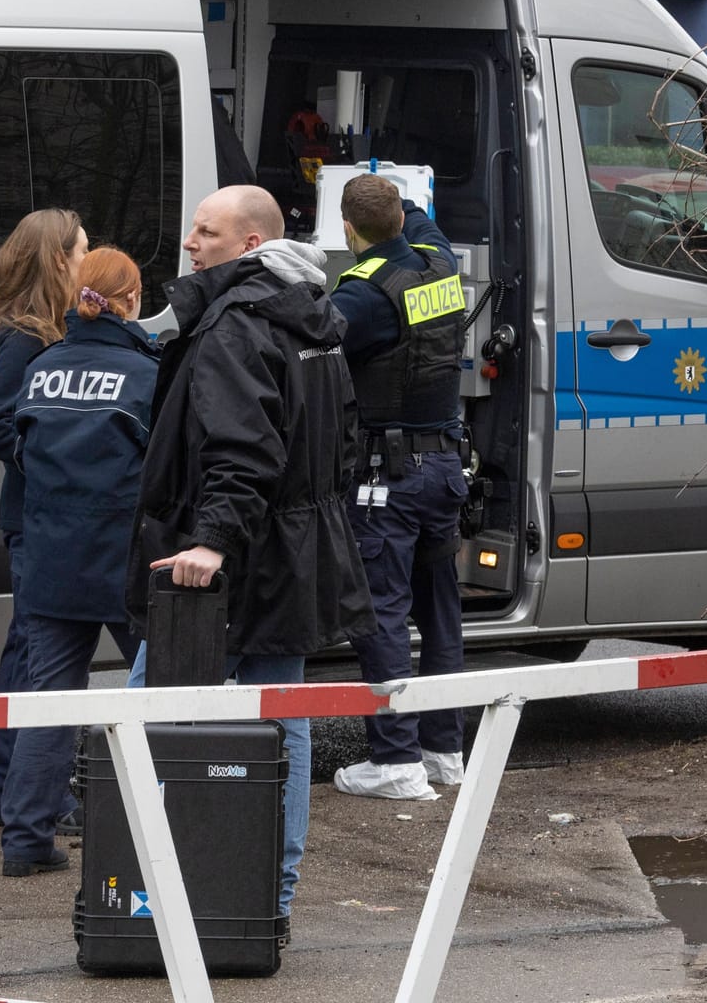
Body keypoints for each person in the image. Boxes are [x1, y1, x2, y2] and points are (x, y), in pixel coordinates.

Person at [127, 184, 374, 936]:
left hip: (236, 557)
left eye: (206, 232)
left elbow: (242, 449)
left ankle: (143, 884)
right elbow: (340, 438)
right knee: (282, 717)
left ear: (248, 246)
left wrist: (212, 541)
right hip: (295, 552)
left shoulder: (238, 322)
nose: (190, 244)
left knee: (140, 714)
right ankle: (271, 894)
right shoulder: (312, 313)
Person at [0, 249, 160, 877]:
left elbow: (19, 448)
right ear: (131, 299)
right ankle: (148, 830)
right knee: (154, 695)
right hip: (123, 561)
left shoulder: (42, 367)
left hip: (49, 558)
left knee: (49, 700)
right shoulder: (146, 373)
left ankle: (25, 841)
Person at [327, 173, 469, 801]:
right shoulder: (440, 266)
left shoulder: (362, 296)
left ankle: (395, 761)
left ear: (347, 228)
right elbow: (420, 221)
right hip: (443, 471)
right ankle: (444, 750)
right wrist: (397, 197)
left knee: (382, 613)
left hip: (389, 478)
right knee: (439, 612)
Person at [0, 208, 88, 829]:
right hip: (34, 517)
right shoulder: (26, 337)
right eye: (82, 251)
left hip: (37, 517)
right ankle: (25, 798)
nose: (88, 262)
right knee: (32, 658)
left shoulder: (51, 330)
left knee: (26, 652)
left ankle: (11, 796)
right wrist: (56, 464)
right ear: (57, 260)